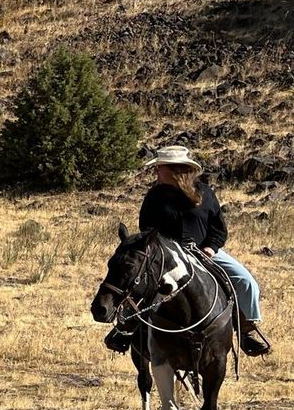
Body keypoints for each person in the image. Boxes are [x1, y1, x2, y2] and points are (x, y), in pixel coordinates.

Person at [106, 145, 270, 357]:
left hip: (204, 252)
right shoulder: (154, 196)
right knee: (140, 285)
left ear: (175, 169)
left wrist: (211, 248)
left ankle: (247, 330)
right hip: (167, 257)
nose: (156, 172)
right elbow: (147, 230)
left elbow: (218, 228)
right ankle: (125, 329)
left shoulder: (206, 194)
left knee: (246, 281)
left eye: (160, 167)